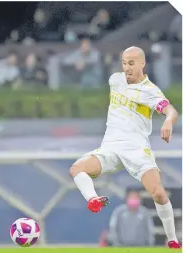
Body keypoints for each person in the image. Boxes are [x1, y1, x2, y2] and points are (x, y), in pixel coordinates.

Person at [69, 46, 181, 249]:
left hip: (136, 149)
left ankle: (172, 239)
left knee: (158, 193)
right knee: (77, 168)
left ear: (142, 64)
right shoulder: (116, 80)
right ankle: (93, 200)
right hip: (110, 147)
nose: (127, 68)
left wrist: (168, 122)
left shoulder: (150, 91)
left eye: (131, 63)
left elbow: (171, 110)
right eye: (124, 63)